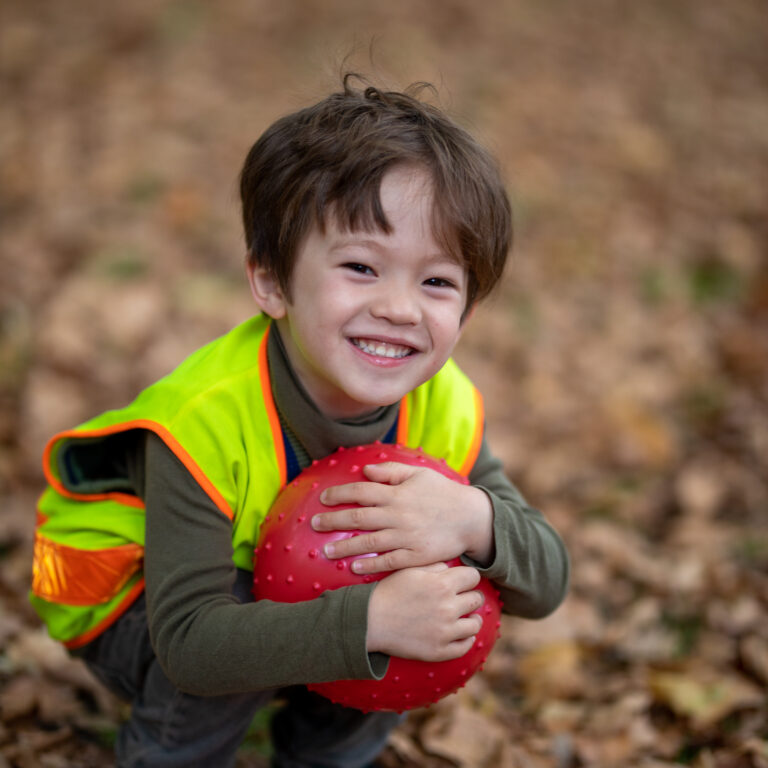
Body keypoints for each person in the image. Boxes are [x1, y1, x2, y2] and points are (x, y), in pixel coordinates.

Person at [30, 76, 570, 768]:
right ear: (272, 282)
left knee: (426, 571)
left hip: (289, 592)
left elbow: (546, 582)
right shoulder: (203, 421)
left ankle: (328, 756)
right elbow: (194, 645)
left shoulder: (444, 406)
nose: (401, 308)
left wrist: (473, 520)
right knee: (260, 603)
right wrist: (373, 620)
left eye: (437, 282)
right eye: (360, 267)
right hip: (130, 605)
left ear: (465, 312)